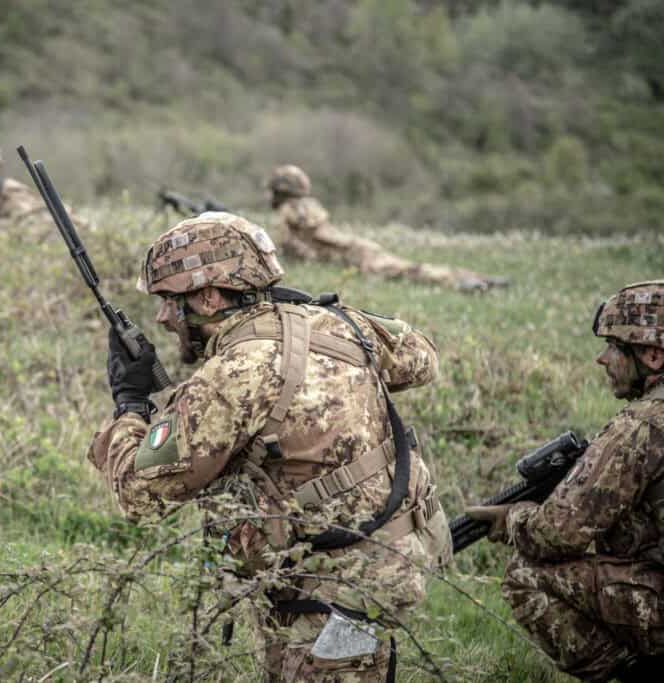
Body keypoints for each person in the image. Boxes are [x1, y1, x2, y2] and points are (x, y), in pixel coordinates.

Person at [87, 211, 452, 681]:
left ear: (208, 296)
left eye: (167, 302)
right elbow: (422, 358)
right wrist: (311, 324)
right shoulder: (342, 324)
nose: (160, 318)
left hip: (324, 593)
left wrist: (129, 405)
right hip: (390, 566)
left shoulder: (231, 376)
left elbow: (140, 496)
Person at [466, 280, 664, 682]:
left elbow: (557, 534)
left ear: (653, 355)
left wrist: (514, 518)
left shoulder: (642, 426)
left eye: (614, 346)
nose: (602, 359)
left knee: (526, 576)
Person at [267, 165, 507, 292]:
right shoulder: (309, 205)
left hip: (350, 255)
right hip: (355, 246)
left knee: (407, 271)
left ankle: (462, 283)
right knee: (410, 267)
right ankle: (474, 277)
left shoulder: (289, 211)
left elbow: (288, 246)